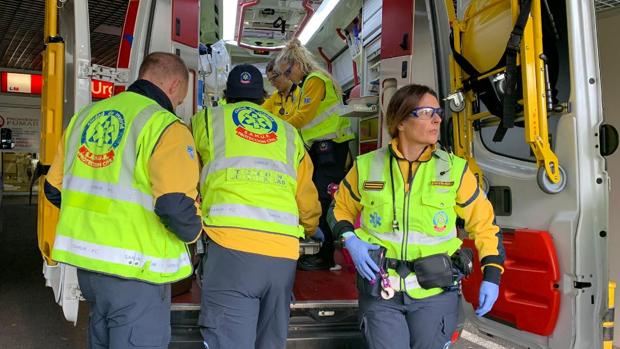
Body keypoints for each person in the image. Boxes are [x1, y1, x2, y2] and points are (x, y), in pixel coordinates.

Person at [44, 52, 202, 349]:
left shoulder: (85, 117)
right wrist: (198, 231)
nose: (179, 102)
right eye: (181, 96)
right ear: (175, 85)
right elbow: (174, 207)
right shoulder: (166, 126)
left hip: (89, 270)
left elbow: (54, 188)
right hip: (137, 272)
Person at [329, 84, 504, 348]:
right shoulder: (367, 166)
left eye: (438, 112)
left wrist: (492, 275)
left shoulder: (454, 170)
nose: (436, 119)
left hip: (434, 293)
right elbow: (339, 209)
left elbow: (484, 225)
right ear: (400, 121)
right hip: (381, 291)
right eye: (426, 112)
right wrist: (349, 239)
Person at [191, 64, 322, 349]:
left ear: (227, 95)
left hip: (231, 249)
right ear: (264, 97)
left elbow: (187, 178)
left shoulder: (206, 121)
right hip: (282, 254)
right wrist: (311, 227)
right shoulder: (288, 133)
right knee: (271, 342)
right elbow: (307, 200)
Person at [275, 38, 355, 271]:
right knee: (317, 198)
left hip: (331, 149)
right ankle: (320, 253)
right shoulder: (308, 84)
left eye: (288, 72)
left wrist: (272, 126)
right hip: (322, 149)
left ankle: (325, 258)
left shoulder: (315, 82)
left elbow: (301, 118)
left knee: (322, 200)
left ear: (297, 64)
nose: (289, 78)